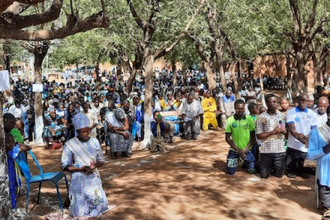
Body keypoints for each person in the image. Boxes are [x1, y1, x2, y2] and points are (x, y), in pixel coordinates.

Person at [61, 113, 109, 217]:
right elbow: (64, 166)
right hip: (78, 175)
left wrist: (94, 165)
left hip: (92, 175)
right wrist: (81, 168)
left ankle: (71, 200)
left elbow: (101, 161)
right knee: (79, 212)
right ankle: (70, 200)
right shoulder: (70, 144)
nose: (86, 133)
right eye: (83, 131)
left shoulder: (95, 142)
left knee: (100, 204)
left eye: (87, 130)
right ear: (77, 131)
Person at [286, 93, 317, 178]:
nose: (303, 103)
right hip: (293, 143)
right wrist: (300, 138)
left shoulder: (312, 114)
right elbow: (291, 128)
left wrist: (307, 137)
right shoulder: (291, 112)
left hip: (306, 142)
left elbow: (314, 129)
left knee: (305, 169)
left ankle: (303, 170)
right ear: (298, 101)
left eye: (306, 101)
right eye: (302, 100)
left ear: (309, 102)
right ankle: (291, 170)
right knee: (291, 164)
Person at [256, 94, 286, 179]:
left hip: (279, 150)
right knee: (264, 176)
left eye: (276, 102)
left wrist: (283, 130)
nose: (275, 104)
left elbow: (282, 128)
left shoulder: (282, 116)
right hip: (266, 151)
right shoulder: (261, 117)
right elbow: (259, 136)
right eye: (272, 102)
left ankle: (274, 167)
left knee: (279, 175)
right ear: (266, 103)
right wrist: (273, 132)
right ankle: (262, 166)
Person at [307, 106, 330, 219]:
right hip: (326, 180)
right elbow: (310, 155)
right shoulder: (317, 132)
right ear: (329, 115)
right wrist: (326, 149)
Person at [225, 99, 256, 175]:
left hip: (247, 149)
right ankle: (236, 160)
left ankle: (244, 162)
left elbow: (253, 137)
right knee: (230, 172)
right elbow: (227, 138)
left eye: (242, 108)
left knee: (252, 171)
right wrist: (237, 150)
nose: (240, 110)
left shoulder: (249, 119)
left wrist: (245, 150)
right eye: (238, 108)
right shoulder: (229, 120)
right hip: (234, 150)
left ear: (244, 108)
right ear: (235, 108)